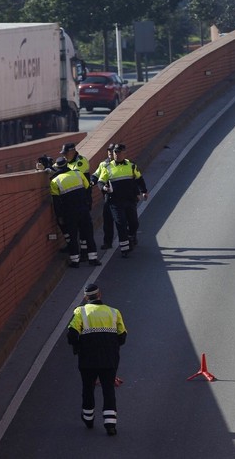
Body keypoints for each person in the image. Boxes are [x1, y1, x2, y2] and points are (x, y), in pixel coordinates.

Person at [66, 283, 127, 436]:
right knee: (108, 389)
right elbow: (122, 336)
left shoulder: (80, 312)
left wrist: (79, 346)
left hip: (87, 359)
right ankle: (110, 424)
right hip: (109, 359)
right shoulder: (114, 312)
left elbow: (71, 335)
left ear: (86, 297)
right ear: (100, 295)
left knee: (88, 388)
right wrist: (110, 345)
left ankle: (88, 418)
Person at [97, 144, 148, 257]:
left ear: (124, 153)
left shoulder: (131, 166)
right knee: (121, 224)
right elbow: (100, 182)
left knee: (134, 223)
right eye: (115, 152)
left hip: (130, 200)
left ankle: (131, 236)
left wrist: (144, 191)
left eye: (119, 152)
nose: (116, 154)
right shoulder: (107, 167)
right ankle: (125, 249)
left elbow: (139, 179)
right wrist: (104, 188)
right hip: (115, 202)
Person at [49, 157, 101, 268]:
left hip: (69, 213)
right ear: (67, 165)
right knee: (88, 234)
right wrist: (88, 204)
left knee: (72, 237)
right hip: (83, 209)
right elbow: (88, 189)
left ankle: (75, 261)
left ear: (58, 168)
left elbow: (56, 202)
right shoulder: (78, 174)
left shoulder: (54, 181)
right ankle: (93, 259)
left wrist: (59, 216)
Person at [90, 143, 117, 249]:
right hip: (109, 198)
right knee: (108, 222)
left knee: (125, 221)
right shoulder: (103, 164)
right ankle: (108, 242)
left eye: (112, 150)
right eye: (109, 150)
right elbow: (96, 175)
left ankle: (130, 237)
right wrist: (92, 182)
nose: (110, 152)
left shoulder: (125, 164)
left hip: (123, 197)